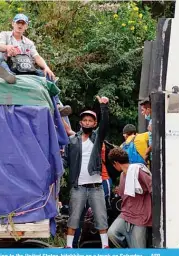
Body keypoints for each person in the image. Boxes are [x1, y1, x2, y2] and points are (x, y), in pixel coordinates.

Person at [62, 96, 110, 249]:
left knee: (101, 217)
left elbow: (105, 126)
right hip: (78, 186)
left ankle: (105, 246)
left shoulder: (97, 138)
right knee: (74, 218)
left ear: (94, 123)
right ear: (81, 123)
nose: (88, 122)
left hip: (96, 186)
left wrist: (104, 107)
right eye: (85, 120)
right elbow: (65, 161)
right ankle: (69, 247)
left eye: (91, 121)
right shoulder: (72, 141)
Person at [107, 147, 152, 248]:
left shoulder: (138, 171)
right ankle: (128, 250)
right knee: (112, 233)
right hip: (126, 213)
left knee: (139, 248)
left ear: (116, 163)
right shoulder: (123, 175)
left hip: (141, 216)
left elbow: (153, 187)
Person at [0, 13, 55, 83]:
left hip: (25, 67)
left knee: (48, 75)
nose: (20, 25)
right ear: (13, 24)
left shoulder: (29, 43)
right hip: (9, 65)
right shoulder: (5, 34)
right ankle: (9, 75)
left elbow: (37, 57)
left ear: (26, 26)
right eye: (18, 22)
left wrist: (46, 67)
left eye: (23, 23)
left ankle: (54, 93)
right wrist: (7, 47)